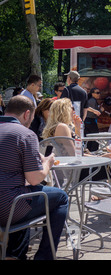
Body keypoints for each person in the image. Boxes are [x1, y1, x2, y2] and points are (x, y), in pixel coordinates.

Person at [0, 95, 69, 260]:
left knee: (28, 193)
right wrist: (47, 162)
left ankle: (14, 254)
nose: (32, 121)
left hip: (9, 200)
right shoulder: (25, 134)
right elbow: (35, 178)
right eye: (32, 117)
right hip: (8, 207)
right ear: (26, 114)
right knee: (60, 197)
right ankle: (45, 256)